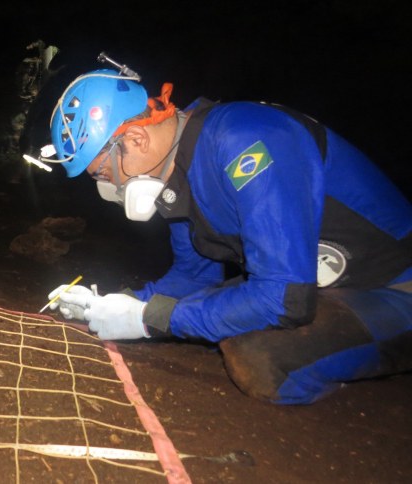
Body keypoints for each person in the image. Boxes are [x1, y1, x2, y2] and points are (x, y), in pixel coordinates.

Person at [42, 66, 412, 405]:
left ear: (136, 139)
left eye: (103, 175)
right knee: (222, 313)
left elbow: (281, 298)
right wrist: (114, 303)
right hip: (325, 287)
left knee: (262, 360)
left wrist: (147, 319)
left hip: (393, 285)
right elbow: (192, 278)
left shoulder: (245, 139)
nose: (109, 189)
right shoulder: (176, 176)